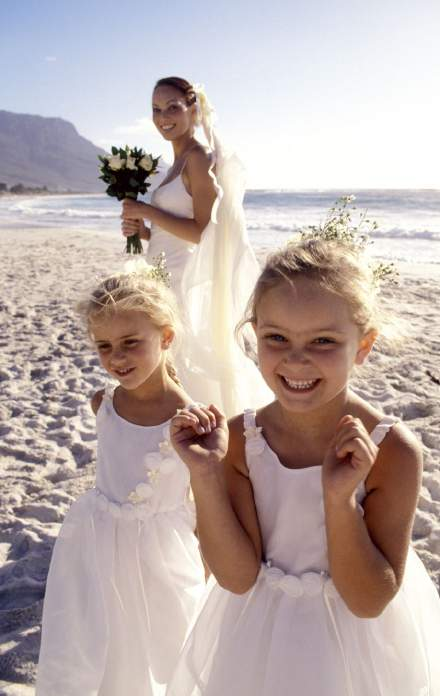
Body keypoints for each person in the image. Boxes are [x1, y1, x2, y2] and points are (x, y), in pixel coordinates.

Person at [167, 238, 440, 695]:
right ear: (255, 333)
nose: (296, 358)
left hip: (358, 651)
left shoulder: (393, 452)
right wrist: (206, 475)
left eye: (323, 341)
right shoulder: (241, 440)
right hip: (258, 635)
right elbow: (236, 577)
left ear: (363, 345)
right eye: (277, 338)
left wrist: (338, 500)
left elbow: (368, 599)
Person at [36, 262, 205, 696]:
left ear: (166, 338)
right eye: (104, 346)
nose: (117, 358)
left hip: (159, 557)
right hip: (97, 541)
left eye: (132, 343)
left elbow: (203, 501)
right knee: (97, 641)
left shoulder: (188, 419)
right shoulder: (104, 404)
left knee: (159, 649)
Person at [120, 76, 271, 417]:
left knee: (187, 360)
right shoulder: (175, 163)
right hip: (162, 273)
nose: (163, 117)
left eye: (173, 107)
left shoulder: (198, 158)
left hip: (183, 278)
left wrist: (147, 209)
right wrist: (144, 230)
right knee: (169, 362)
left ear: (193, 109)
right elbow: (174, 230)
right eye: (156, 110)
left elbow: (204, 231)